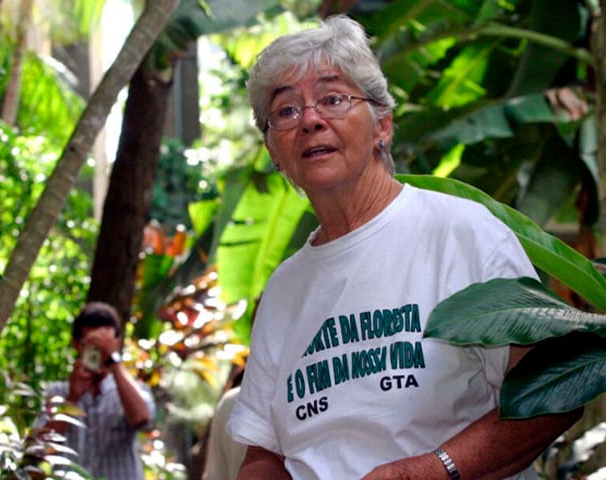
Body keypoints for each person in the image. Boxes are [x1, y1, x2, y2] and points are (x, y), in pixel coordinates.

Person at [224, 14, 583, 480]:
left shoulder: (464, 233)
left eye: (332, 99)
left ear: (383, 126)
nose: (310, 120)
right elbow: (263, 454)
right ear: (274, 152)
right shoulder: (284, 289)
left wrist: (433, 470)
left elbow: (557, 390)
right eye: (287, 110)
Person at [34, 302, 156, 479]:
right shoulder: (58, 392)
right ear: (77, 344)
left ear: (117, 344)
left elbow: (143, 419)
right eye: (93, 345)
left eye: (105, 346)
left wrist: (114, 362)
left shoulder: (132, 391)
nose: (100, 352)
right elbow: (39, 450)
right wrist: (72, 397)